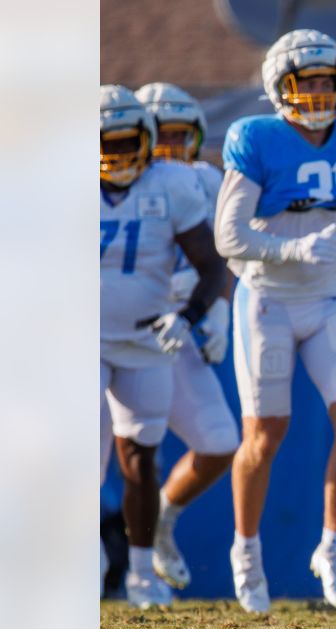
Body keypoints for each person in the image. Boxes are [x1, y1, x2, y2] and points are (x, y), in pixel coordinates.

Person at [214, 29, 336, 613]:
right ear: (280, 87)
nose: (320, 92)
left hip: (330, 298)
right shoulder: (257, 138)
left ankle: (333, 548)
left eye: (328, 81)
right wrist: (290, 251)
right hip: (268, 298)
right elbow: (228, 235)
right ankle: (245, 553)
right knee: (264, 436)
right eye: (309, 81)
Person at [99, 85, 226, 608]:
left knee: (142, 460)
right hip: (86, 336)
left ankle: (142, 570)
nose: (119, 155)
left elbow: (215, 260)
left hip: (154, 336)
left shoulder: (177, 183)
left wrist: (202, 312)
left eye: (129, 142)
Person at [132, 82, 240, 591]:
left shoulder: (203, 181)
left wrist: (216, 313)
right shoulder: (115, 185)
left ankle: (161, 524)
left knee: (219, 443)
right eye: (162, 138)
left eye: (181, 138)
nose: (172, 150)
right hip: (120, 329)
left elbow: (225, 256)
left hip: (179, 330)